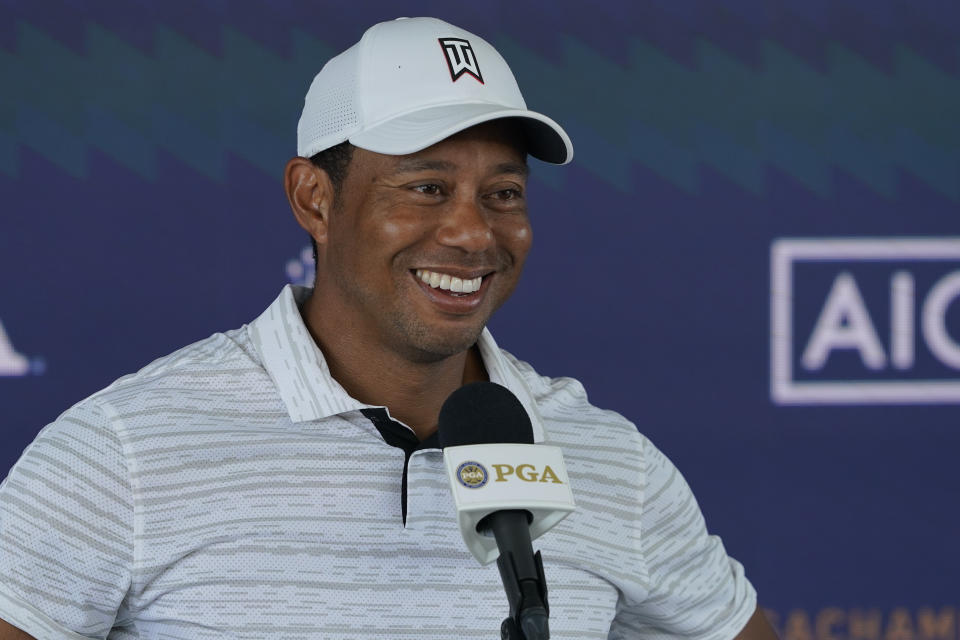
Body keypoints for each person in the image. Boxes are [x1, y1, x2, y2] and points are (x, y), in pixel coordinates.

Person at [0, 17, 776, 640]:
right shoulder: (127, 450)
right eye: (428, 187)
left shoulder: (610, 462)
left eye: (503, 193)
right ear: (313, 199)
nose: (474, 234)